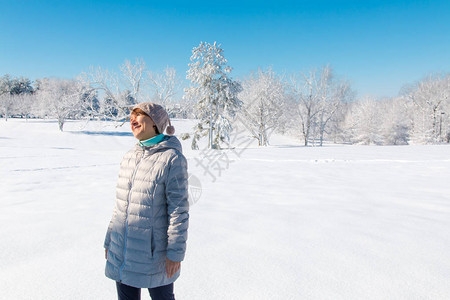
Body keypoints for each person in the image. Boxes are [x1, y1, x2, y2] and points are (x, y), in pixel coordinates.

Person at [104, 102, 189, 300]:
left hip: (154, 254)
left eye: (139, 114)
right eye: (131, 116)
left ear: (155, 124)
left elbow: (178, 210)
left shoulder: (172, 159)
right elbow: (120, 206)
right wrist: (110, 239)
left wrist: (175, 253)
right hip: (122, 248)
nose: (132, 119)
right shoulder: (129, 156)